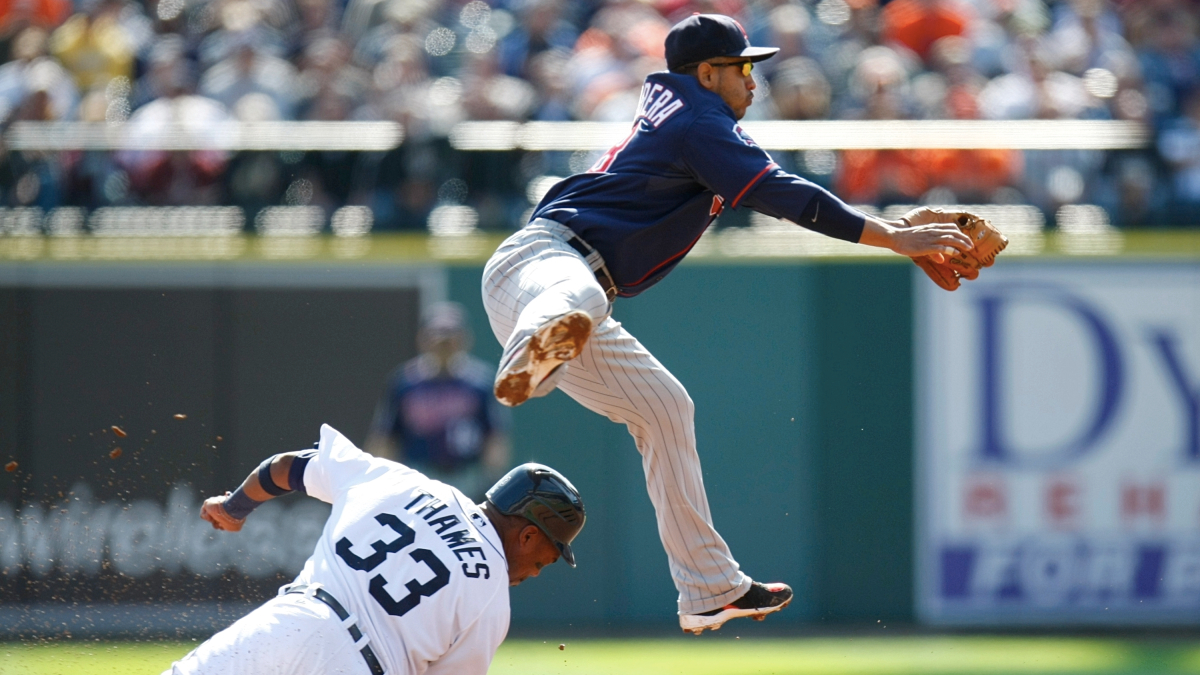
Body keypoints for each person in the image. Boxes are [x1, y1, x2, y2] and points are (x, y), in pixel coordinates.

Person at [481, 13, 976, 634]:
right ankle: (531, 357)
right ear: (707, 73)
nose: (754, 80)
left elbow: (785, 188)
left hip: (583, 292)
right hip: (546, 263)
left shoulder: (692, 118)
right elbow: (786, 194)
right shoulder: (696, 117)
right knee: (577, 295)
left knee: (665, 408)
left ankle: (709, 588)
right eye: (743, 67)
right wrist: (892, 235)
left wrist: (892, 225)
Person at [163, 424, 585, 675]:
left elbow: (290, 466)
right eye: (544, 560)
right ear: (528, 536)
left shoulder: (403, 481)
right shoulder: (492, 600)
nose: (535, 573)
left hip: (290, 622)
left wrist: (234, 507)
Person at [364, 302, 510, 501]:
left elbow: (494, 437)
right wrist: (381, 480)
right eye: (437, 334)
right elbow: (385, 435)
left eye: (450, 335)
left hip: (466, 476)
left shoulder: (479, 383)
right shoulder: (405, 382)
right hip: (417, 474)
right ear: (422, 339)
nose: (444, 341)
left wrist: (490, 480)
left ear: (464, 339)